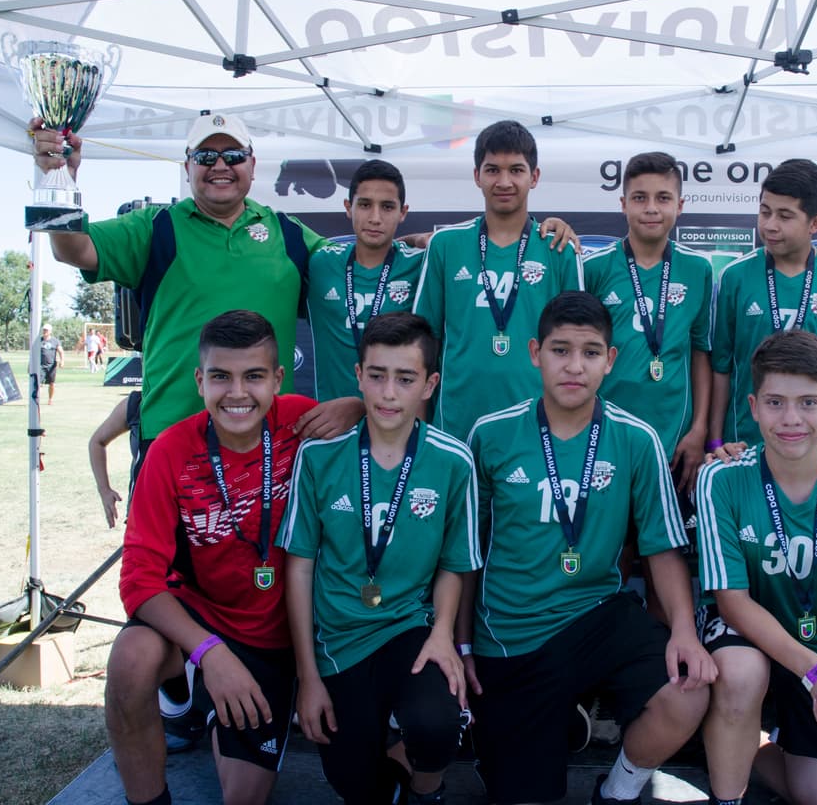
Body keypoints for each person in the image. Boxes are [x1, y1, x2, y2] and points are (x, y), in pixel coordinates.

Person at [463, 291, 715, 804]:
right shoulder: (491, 435)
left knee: (688, 690)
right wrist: (462, 642)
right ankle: (531, 737)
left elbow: (663, 546)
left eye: (591, 352)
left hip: (597, 612)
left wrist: (685, 633)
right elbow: (466, 554)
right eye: (560, 350)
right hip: (514, 634)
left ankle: (617, 792)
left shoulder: (636, 439)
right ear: (535, 352)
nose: (574, 366)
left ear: (611, 359)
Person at [29, 112, 335, 454]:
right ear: (187, 167)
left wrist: (407, 249)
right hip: (170, 443)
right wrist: (58, 178)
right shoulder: (154, 227)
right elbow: (71, 249)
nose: (220, 165)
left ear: (252, 165)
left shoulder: (289, 234)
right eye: (206, 157)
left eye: (233, 156)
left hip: (269, 445)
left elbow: (359, 272)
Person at [105, 310, 317, 805]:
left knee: (244, 797)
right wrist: (210, 652)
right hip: (198, 625)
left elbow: (377, 420)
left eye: (254, 376)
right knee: (131, 659)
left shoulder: (305, 420)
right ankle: (159, 768)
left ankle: (201, 708)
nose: (237, 393)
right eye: (221, 376)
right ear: (200, 380)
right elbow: (138, 579)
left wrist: (350, 407)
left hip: (270, 638)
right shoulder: (171, 450)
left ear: (277, 380)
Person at [281, 312, 480, 804]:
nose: (389, 392)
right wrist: (307, 676)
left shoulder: (453, 460)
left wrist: (442, 635)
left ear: (429, 385)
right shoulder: (319, 457)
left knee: (436, 726)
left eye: (405, 378)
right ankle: (383, 774)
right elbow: (300, 567)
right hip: (338, 636)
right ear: (358, 377)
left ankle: (426, 790)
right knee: (352, 779)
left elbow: (456, 563)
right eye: (377, 375)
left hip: (410, 626)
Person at [695, 330, 817, 805]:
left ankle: (747, 740)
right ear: (754, 406)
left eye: (807, 403)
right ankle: (728, 794)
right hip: (745, 637)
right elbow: (732, 602)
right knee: (741, 674)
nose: (790, 420)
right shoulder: (720, 479)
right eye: (776, 402)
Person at [413, 120, 583, 441]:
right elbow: (423, 341)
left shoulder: (558, 249)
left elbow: (575, 345)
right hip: (455, 422)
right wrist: (418, 427)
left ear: (534, 177)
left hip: (536, 425)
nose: (504, 181)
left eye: (516, 170)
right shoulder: (446, 245)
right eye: (492, 170)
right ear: (477, 175)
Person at [582, 151, 713, 497]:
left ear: (680, 205)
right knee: (615, 544)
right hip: (607, 432)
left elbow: (700, 353)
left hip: (676, 437)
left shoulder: (698, 269)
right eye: (640, 198)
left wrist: (699, 429)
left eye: (663, 198)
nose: (651, 208)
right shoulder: (594, 269)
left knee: (667, 542)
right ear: (623, 204)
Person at [710, 159, 817, 448]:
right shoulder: (734, 276)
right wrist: (716, 439)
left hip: (814, 443)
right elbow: (721, 366)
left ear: (815, 223)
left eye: (785, 216)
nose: (770, 225)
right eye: (765, 212)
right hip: (744, 441)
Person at [305, 159, 424, 408]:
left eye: (387, 207)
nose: (375, 218)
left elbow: (466, 246)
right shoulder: (319, 264)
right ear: (349, 207)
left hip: (396, 418)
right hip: (331, 427)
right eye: (365, 205)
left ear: (403, 212)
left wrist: (425, 239)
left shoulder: (421, 265)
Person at [88, 391, 142, 528]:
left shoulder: (199, 400)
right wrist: (104, 490)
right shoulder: (136, 403)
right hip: (141, 515)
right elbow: (97, 442)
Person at [39, 323, 64, 406]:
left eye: (46, 330)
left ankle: (50, 399)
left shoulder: (55, 341)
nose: (45, 331)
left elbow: (60, 351)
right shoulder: (39, 340)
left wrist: (62, 361)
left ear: (50, 331)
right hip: (41, 366)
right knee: (39, 383)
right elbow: (33, 353)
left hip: (51, 366)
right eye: (44, 330)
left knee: (51, 384)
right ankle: (37, 399)